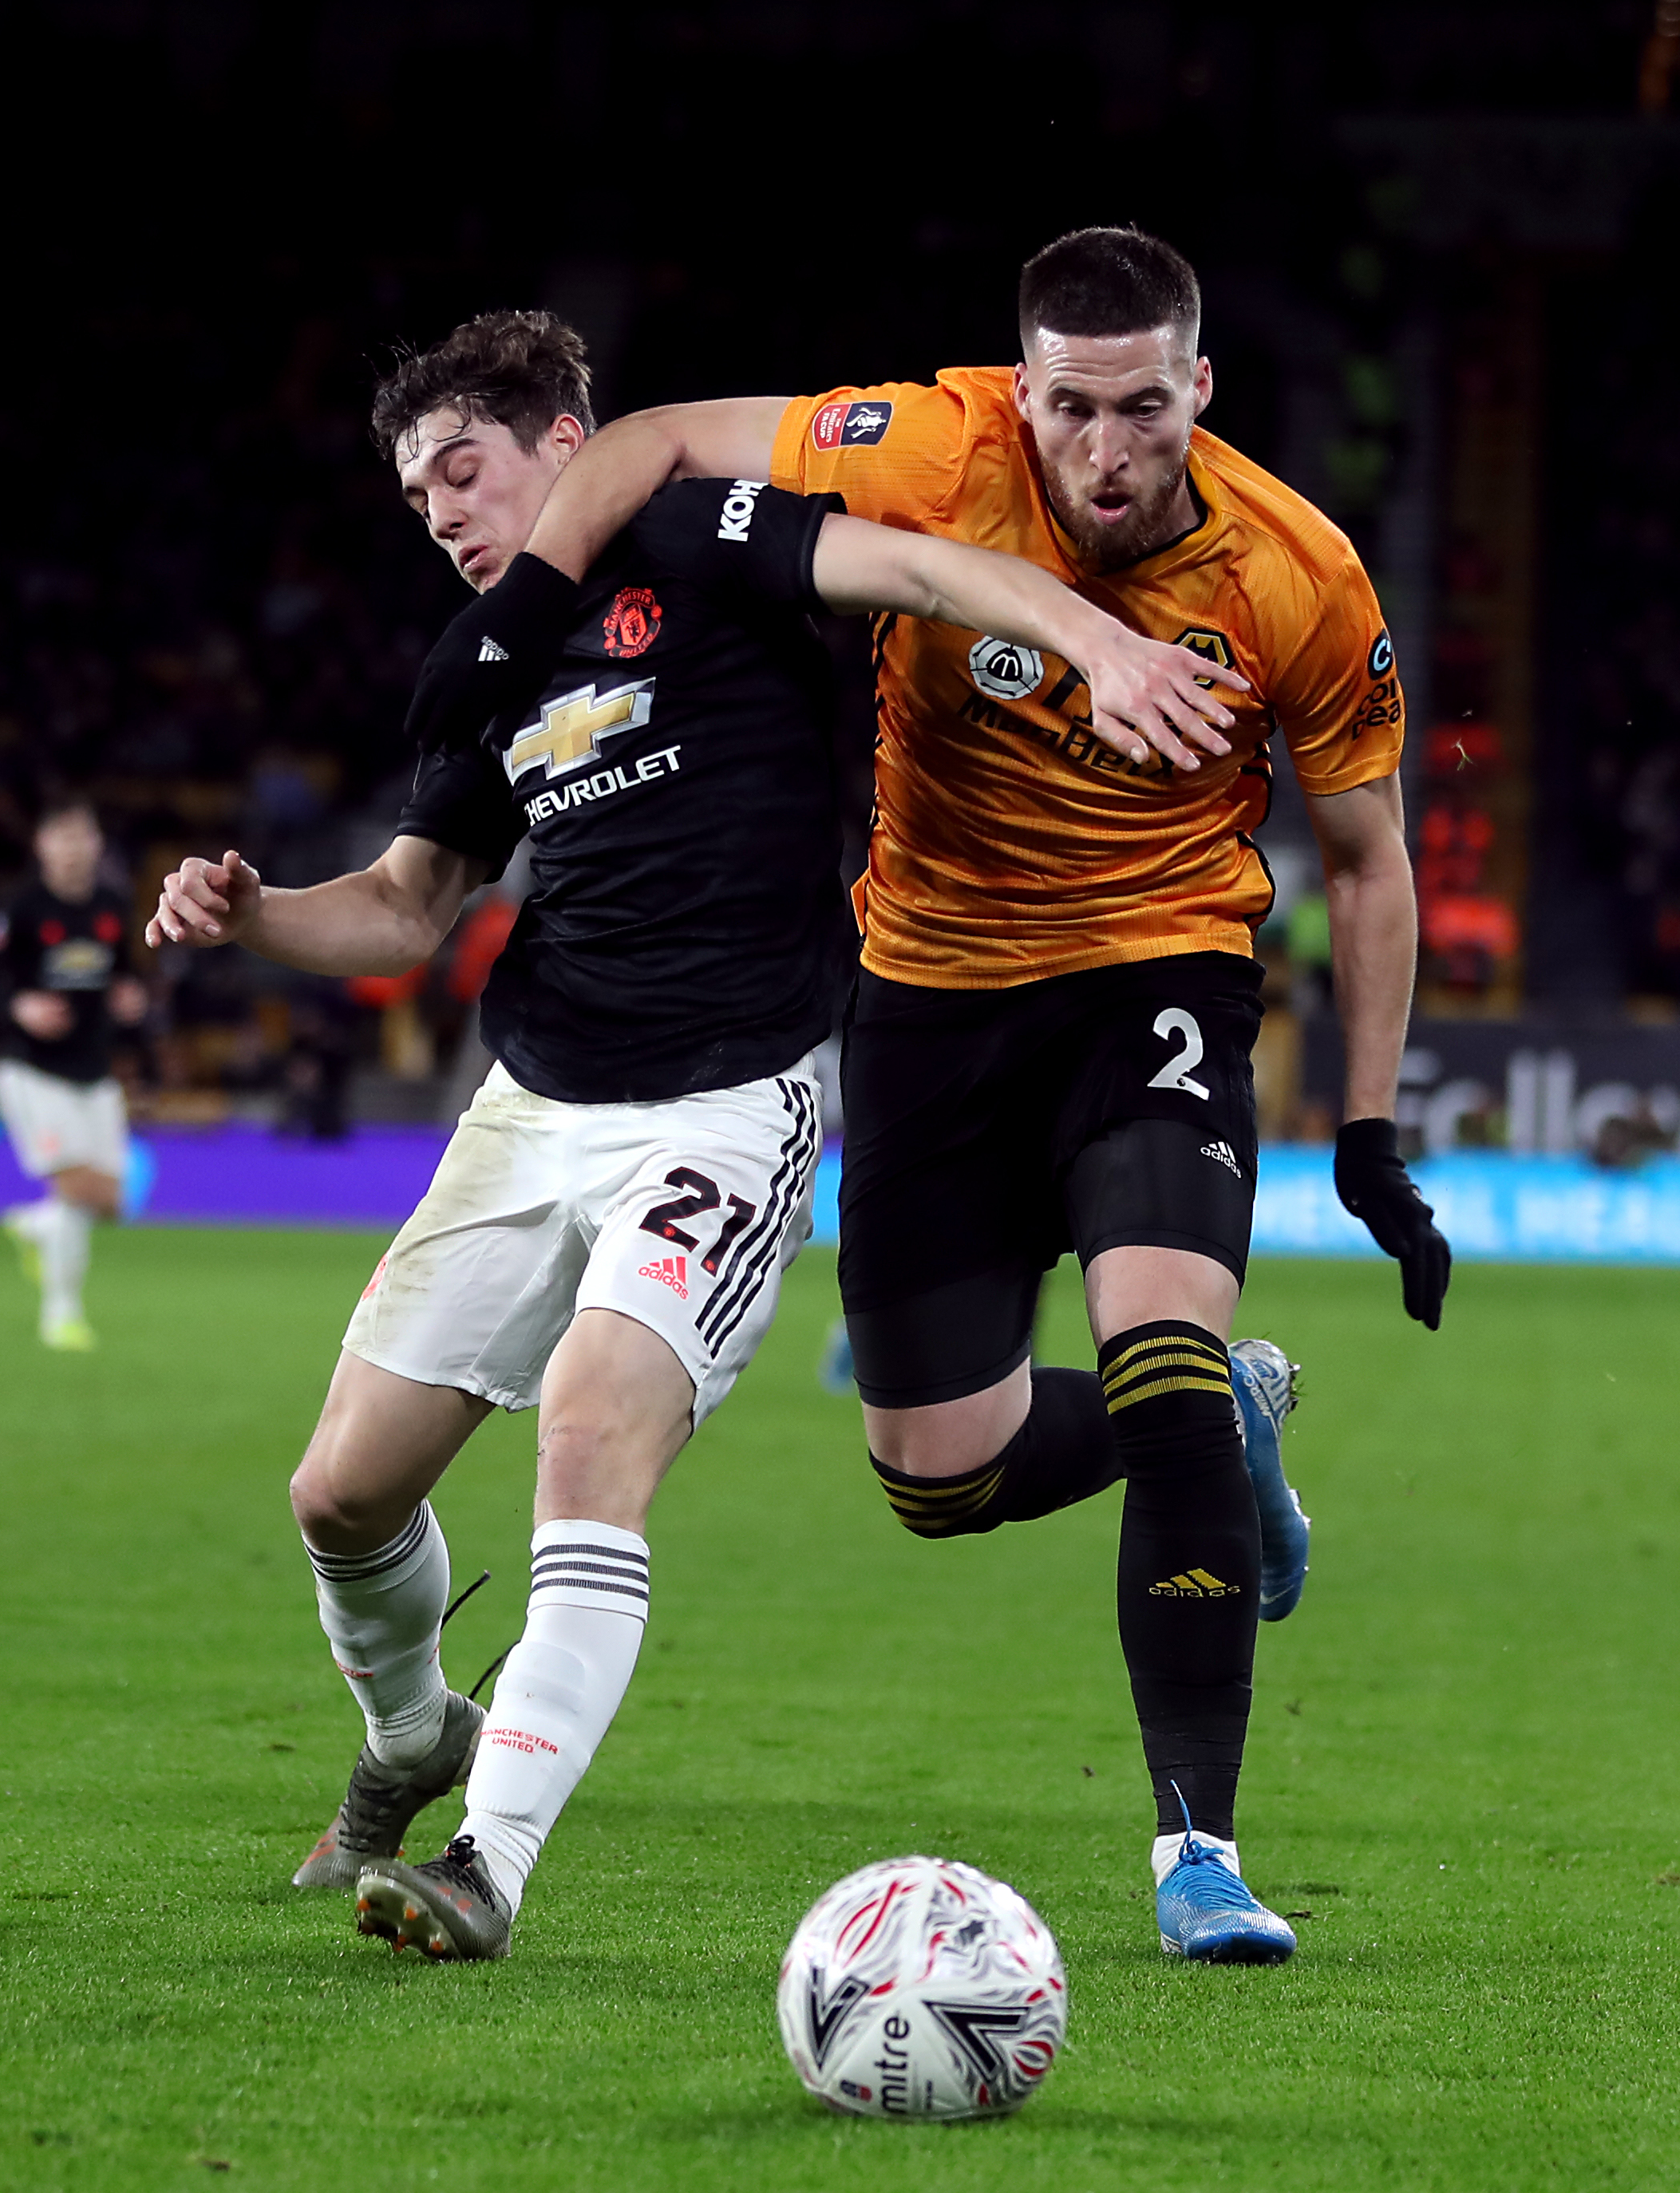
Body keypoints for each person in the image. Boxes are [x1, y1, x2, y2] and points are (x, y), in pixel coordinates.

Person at [147, 308, 1243, 1964]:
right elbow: (404, 905)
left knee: (587, 1436)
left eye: (463, 471)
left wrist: (1093, 643)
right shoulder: (492, 669)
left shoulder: (694, 536)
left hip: (729, 1104)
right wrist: (249, 918)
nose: (442, 515)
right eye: (416, 497)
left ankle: (483, 1862)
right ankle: (409, 1736)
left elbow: (930, 576)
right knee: (339, 1498)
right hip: (532, 1110)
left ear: (560, 440)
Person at [409, 230, 1453, 1966]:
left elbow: (1372, 853)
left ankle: (1200, 1845)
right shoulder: (924, 444)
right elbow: (650, 438)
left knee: (1162, 1347)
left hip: (1158, 977)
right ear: (1020, 387)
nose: (1105, 450)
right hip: (930, 998)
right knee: (934, 1472)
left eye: (1141, 408)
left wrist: (1369, 1130)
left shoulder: (1302, 571)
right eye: (1069, 408)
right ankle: (1226, 1423)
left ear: (1198, 388)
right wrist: (523, 609)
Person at [0, 798, 146, 1349]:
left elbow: (124, 975)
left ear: (97, 844)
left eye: (82, 836)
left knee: (109, 1203)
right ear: (42, 846)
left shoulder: (111, 904)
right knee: (78, 1188)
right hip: (35, 1071)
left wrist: (130, 999)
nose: (73, 847)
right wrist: (19, 1008)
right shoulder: (23, 907)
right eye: (61, 836)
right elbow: (1, 982)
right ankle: (60, 1315)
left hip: (96, 1071)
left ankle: (33, 1224)